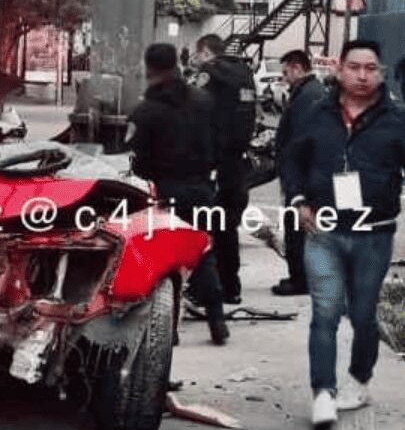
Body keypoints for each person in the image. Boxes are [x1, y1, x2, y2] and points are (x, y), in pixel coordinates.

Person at [281, 40, 405, 430]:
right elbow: (292, 160)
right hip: (325, 231)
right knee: (325, 312)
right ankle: (323, 392)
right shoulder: (317, 115)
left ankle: (360, 378)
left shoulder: (397, 120)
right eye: (355, 67)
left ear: (380, 73)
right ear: (339, 70)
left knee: (364, 316)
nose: (363, 75)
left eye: (371, 68)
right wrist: (300, 200)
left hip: (374, 234)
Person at [127, 43, 229, 345]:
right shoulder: (204, 101)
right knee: (203, 253)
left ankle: (167, 332)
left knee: (164, 261)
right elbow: (219, 144)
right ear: (177, 65)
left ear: (148, 69)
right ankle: (216, 318)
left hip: (163, 192)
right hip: (200, 188)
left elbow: (136, 159)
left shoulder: (145, 112)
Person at [194, 34, 257, 304]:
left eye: (198, 56)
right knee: (227, 227)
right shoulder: (244, 71)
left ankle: (205, 290)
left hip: (213, 164)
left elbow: (194, 112)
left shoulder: (210, 73)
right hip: (237, 163)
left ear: (206, 52)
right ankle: (232, 288)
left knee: (203, 226)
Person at [271, 50, 326, 296]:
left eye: (285, 73)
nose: (284, 78)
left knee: (296, 227)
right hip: (303, 171)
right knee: (297, 226)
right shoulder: (309, 92)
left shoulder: (308, 96)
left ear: (297, 68)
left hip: (303, 173)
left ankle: (300, 280)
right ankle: (299, 276)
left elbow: (300, 140)